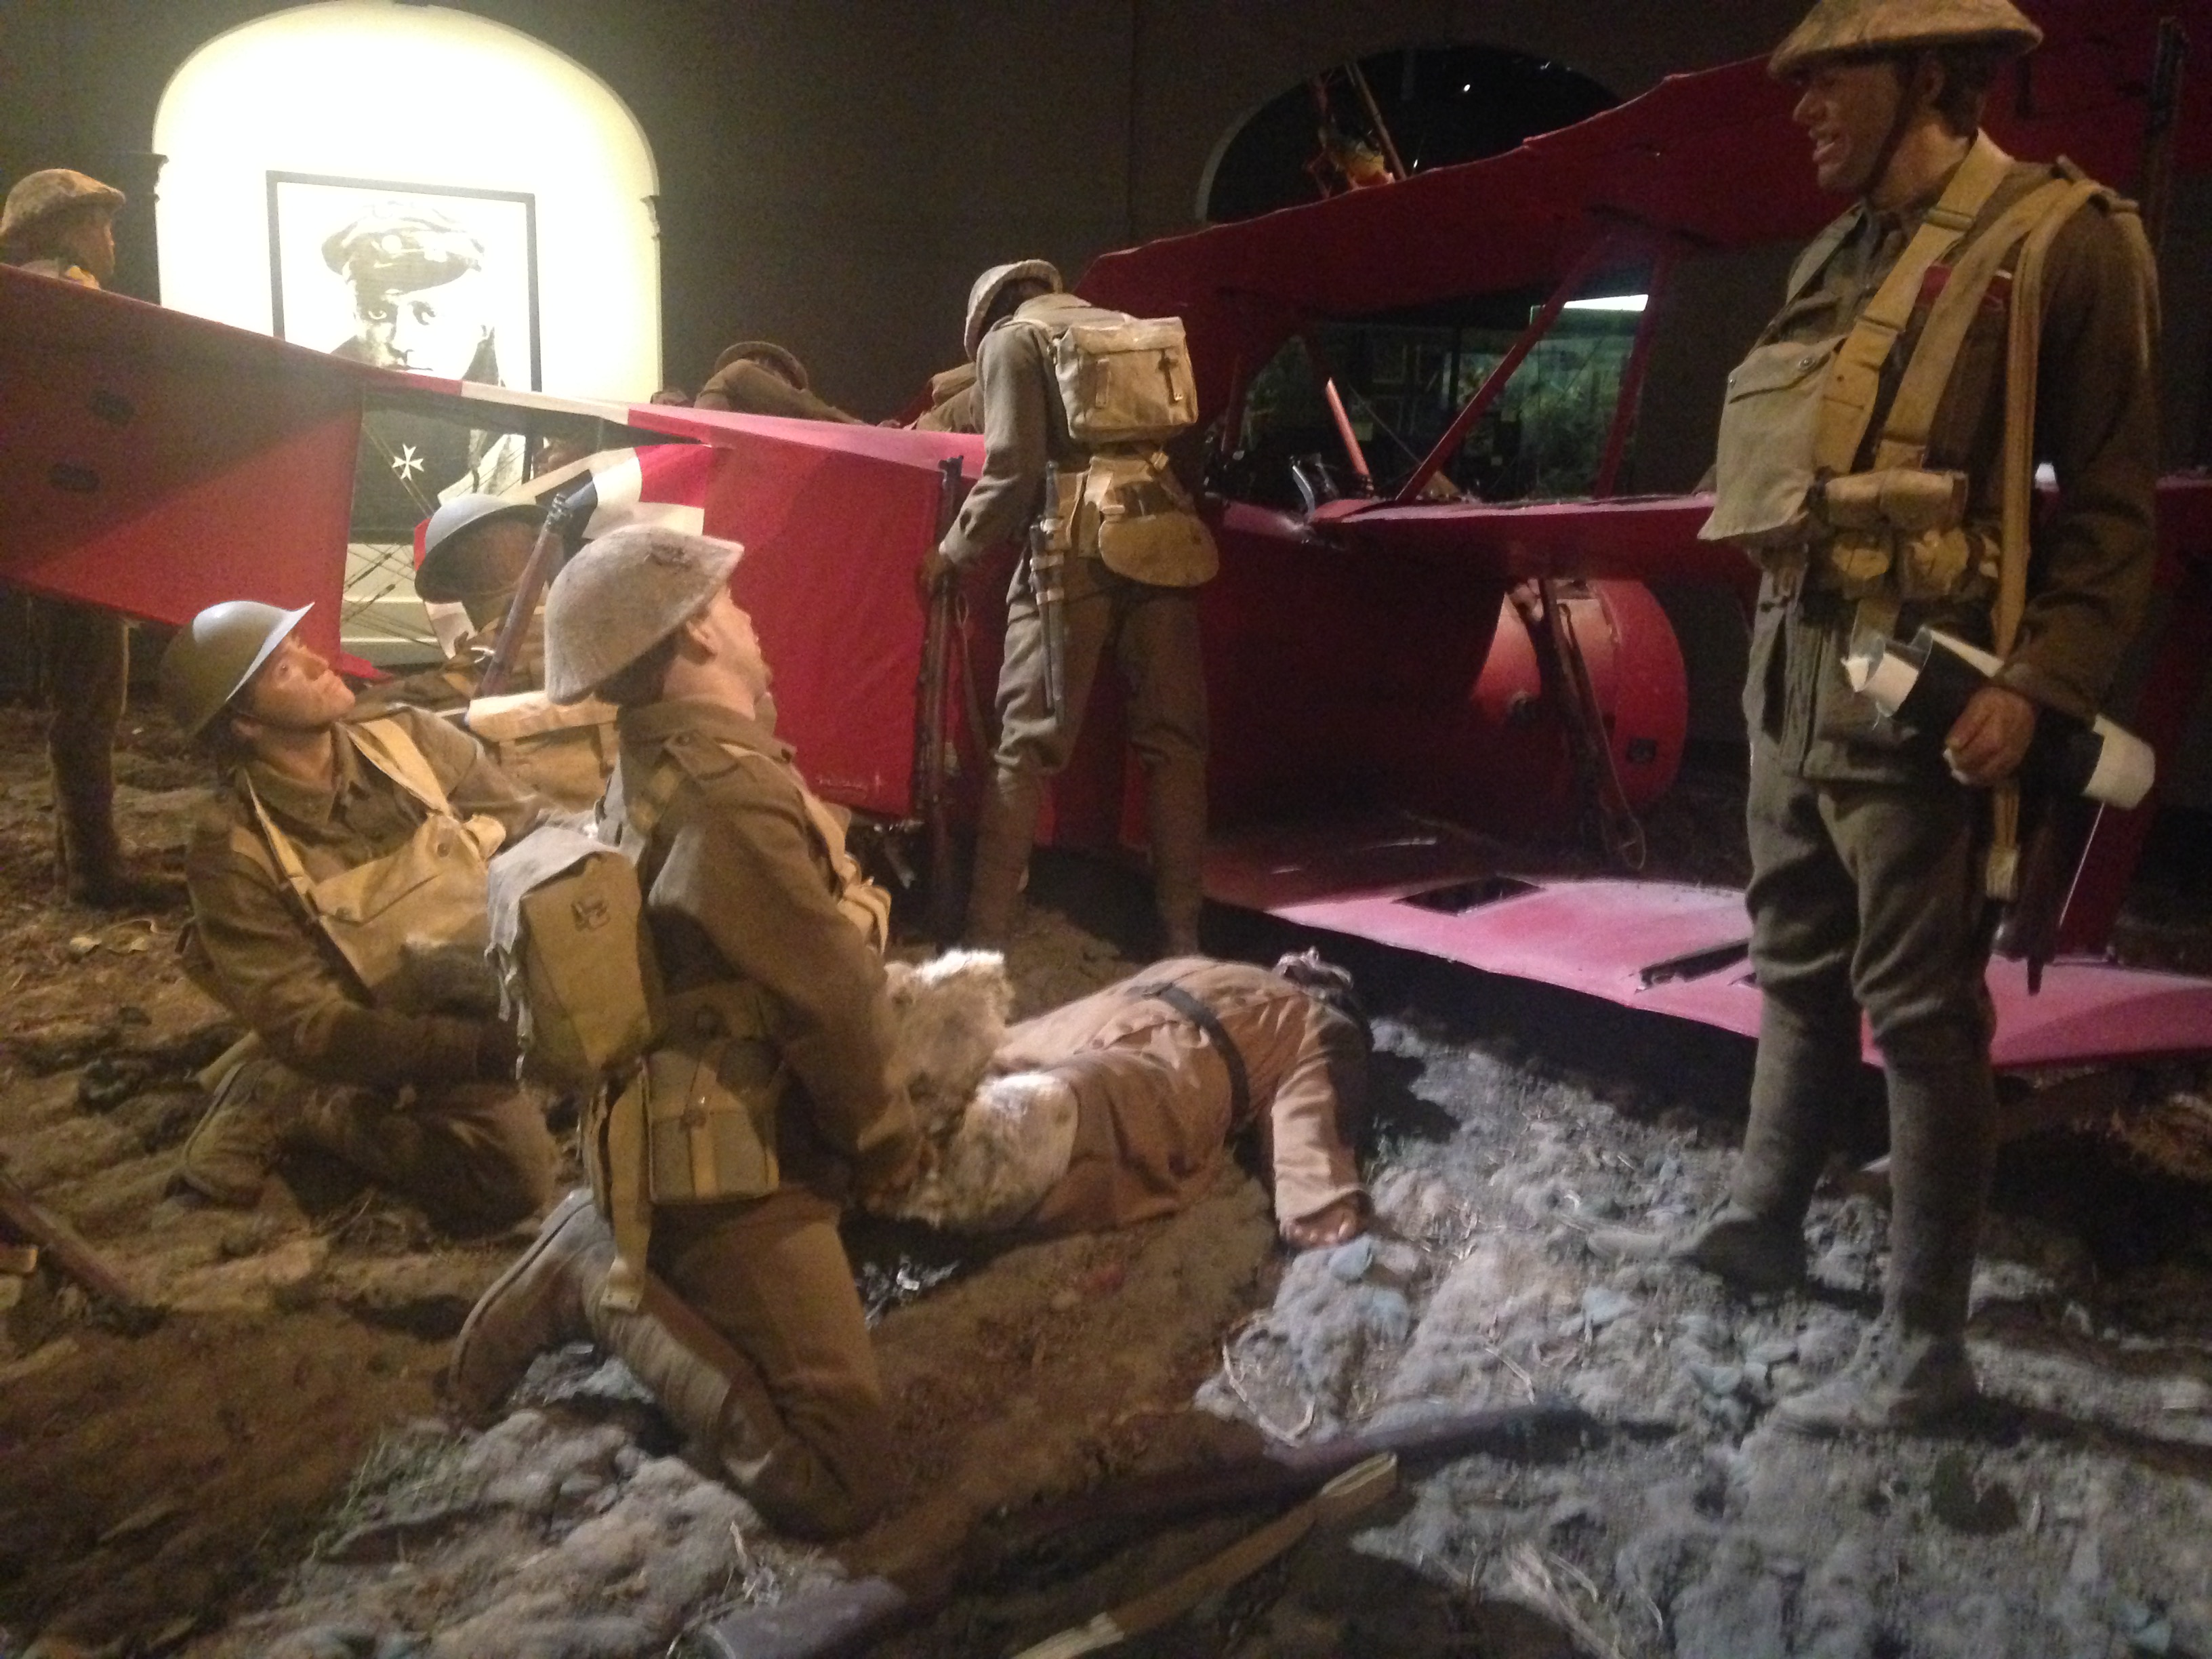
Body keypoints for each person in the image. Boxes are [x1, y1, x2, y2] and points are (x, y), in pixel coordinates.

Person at [1679, 0, 2158, 1435]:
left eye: (1832, 78)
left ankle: (1922, 1339)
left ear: (1928, 75)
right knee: (1791, 952)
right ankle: (1764, 1216)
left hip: (1924, 697)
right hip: (1794, 669)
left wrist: (2036, 683)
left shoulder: (2063, 241)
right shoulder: (1839, 252)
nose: (1803, 107)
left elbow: (2113, 523)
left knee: (1922, 1008)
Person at [448, 525, 922, 1539]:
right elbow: (831, 998)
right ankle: (599, 1281)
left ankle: (611, 1236)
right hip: (731, 1165)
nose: (749, 619)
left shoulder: (671, 757)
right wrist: (888, 1145)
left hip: (691, 1117)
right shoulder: (726, 793)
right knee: (846, 1478)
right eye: (732, 604)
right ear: (698, 633)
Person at [163, 600, 557, 1235]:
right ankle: (312, 1106)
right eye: (285, 669)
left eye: (302, 645)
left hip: (493, 978)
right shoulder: (234, 848)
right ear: (245, 723)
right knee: (512, 1175)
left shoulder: (411, 739)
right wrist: (468, 1050)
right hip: (384, 1028)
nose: (320, 662)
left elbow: (533, 830)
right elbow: (307, 1022)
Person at [923, 260, 1214, 956]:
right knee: (1175, 747)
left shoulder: (1012, 341)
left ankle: (983, 944)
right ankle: (1183, 941)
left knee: (1024, 748)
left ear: (989, 317)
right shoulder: (1128, 332)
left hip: (1072, 544)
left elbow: (1012, 472)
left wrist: (951, 552)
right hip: (1164, 536)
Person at [891, 951, 1369, 1249]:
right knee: (1088, 1103)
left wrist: (1314, 1200)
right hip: (1162, 1057)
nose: (1310, 955)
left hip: (1093, 1038)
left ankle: (907, 1104)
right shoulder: (1310, 1018)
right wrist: (1319, 1206)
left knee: (1040, 1083)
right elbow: (1314, 1107)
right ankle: (949, 1138)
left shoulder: (1220, 969)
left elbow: (1311, 1103)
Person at [1, 168, 148, 907]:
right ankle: (95, 870)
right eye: (99, 223)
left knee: (79, 696)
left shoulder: (26, 309)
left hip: (50, 526)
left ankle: (81, 859)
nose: (110, 239)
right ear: (63, 231)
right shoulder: (65, 301)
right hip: (77, 529)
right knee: (90, 701)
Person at [692, 340, 862, 423]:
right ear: (769, 365)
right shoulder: (743, 370)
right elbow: (803, 405)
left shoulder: (739, 403)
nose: (788, 386)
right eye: (788, 382)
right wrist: (865, 432)